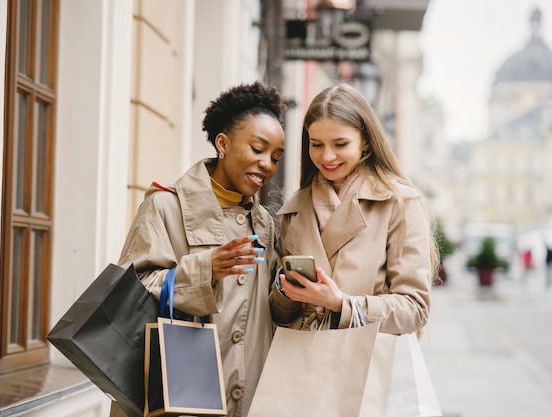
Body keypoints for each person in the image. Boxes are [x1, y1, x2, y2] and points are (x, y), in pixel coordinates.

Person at [110, 81, 286, 417]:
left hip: (250, 399)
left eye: (276, 157)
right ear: (223, 143)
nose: (267, 164)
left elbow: (265, 315)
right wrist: (205, 269)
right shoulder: (165, 207)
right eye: (258, 149)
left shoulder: (264, 223)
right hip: (174, 396)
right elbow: (129, 294)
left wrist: (288, 293)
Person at [270, 82, 438, 335]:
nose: (327, 157)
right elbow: (278, 314)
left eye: (340, 144)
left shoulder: (400, 203)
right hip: (301, 362)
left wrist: (340, 304)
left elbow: (415, 309)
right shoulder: (294, 210)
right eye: (317, 145)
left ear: (366, 142)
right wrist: (286, 292)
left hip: (364, 361)